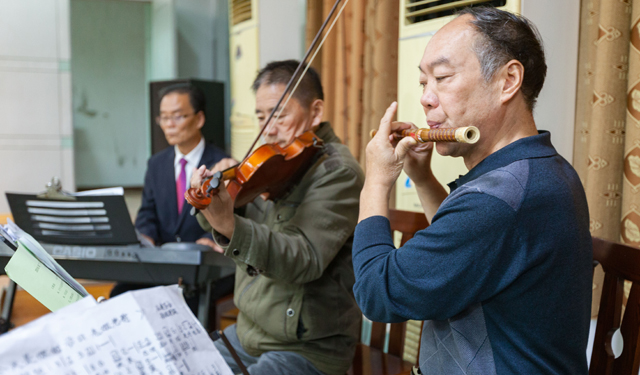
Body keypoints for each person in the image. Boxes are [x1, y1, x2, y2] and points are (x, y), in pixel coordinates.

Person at [353, 7, 592, 375]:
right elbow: (473, 253)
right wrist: (422, 178)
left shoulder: (498, 200)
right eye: (423, 83)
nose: (426, 99)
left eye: (443, 77)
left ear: (508, 80)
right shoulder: (542, 168)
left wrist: (377, 180)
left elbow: (376, 293)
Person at [191, 60, 364, 375]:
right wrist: (211, 201)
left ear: (315, 111)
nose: (268, 128)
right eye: (261, 116)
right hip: (249, 335)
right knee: (183, 367)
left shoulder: (337, 171)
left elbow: (305, 257)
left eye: (280, 114)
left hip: (307, 348)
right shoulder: (271, 162)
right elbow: (224, 223)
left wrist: (230, 224)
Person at [110, 83, 232, 307]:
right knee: (121, 292)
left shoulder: (221, 164)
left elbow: (232, 220)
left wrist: (214, 240)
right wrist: (144, 238)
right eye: (164, 118)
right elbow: (147, 213)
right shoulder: (156, 163)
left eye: (177, 117)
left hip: (204, 268)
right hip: (164, 266)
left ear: (199, 119)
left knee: (189, 300)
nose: (169, 125)